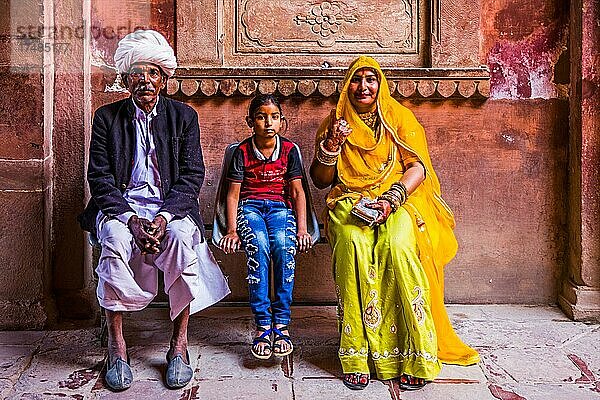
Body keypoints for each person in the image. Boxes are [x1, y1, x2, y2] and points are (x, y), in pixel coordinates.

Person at [309, 56, 480, 391]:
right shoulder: (334, 122)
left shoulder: (398, 118)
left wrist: (391, 198)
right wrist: (331, 146)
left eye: (371, 80)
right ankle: (357, 356)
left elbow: (417, 167)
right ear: (347, 86)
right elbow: (320, 180)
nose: (363, 87)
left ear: (380, 84)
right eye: (356, 80)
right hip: (349, 202)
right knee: (352, 248)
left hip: (394, 200)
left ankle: (415, 354)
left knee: (399, 246)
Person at [77, 29, 230, 391]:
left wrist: (163, 218)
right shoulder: (107, 117)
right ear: (126, 78)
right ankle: (117, 347)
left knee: (180, 241)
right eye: (137, 73)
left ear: (163, 78)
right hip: (121, 208)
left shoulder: (183, 117)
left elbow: (193, 175)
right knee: (113, 241)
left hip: (170, 210)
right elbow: (98, 178)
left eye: (153, 73)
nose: (145, 80)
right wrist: (130, 220)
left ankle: (179, 346)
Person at [218, 94, 312, 360]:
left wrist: (303, 230)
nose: (268, 123)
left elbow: (297, 192)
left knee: (283, 246)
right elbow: (233, 194)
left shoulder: (290, 150)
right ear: (250, 121)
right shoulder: (242, 152)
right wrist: (232, 230)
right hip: (250, 208)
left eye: (274, 117)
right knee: (258, 248)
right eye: (261, 117)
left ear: (282, 122)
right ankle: (262, 325)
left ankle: (281, 324)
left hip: (280, 209)